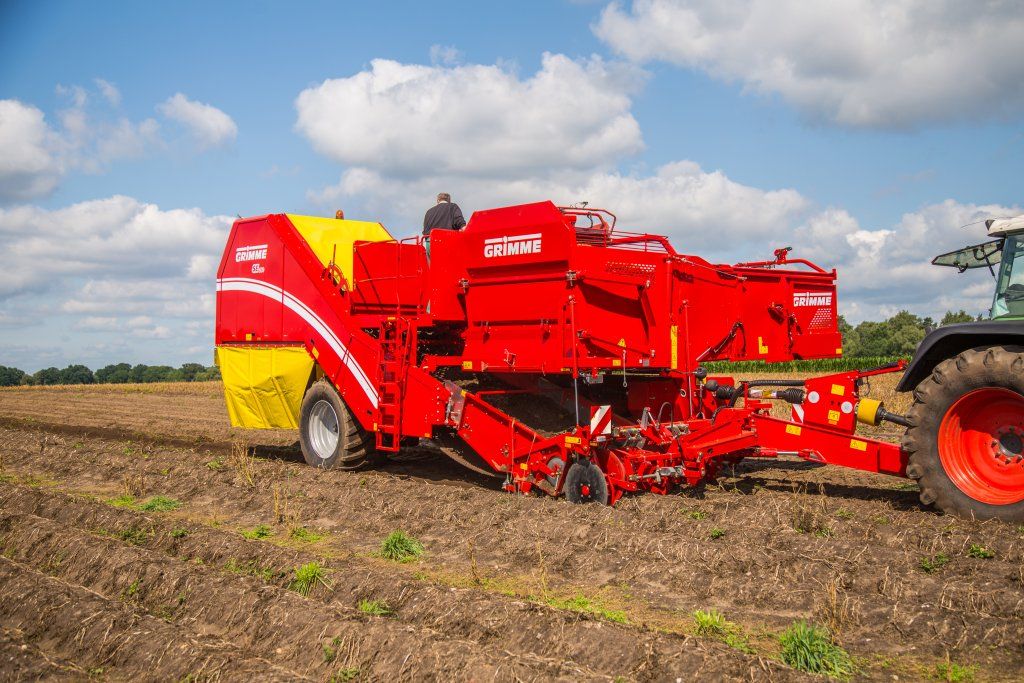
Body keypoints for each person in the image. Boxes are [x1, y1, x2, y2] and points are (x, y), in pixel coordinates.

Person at [422, 193, 466, 257]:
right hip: (446, 241)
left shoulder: (428, 212)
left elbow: (424, 230)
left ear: (438, 200)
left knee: (434, 266)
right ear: (449, 200)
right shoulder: (452, 206)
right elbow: (460, 222)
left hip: (430, 243)